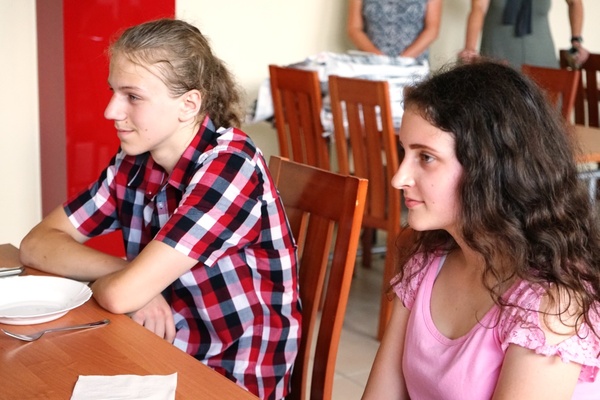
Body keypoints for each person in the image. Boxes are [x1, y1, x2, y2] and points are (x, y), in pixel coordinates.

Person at [19, 18, 301, 400]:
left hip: (231, 373)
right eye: (114, 91)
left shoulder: (231, 167)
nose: (111, 111)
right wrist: (127, 276)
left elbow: (120, 297)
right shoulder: (135, 161)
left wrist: (131, 286)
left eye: (132, 97)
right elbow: (36, 244)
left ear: (188, 104)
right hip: (161, 349)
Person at [362, 60, 600, 399]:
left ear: (489, 169)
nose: (399, 178)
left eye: (425, 157)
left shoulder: (550, 305)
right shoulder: (428, 261)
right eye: (405, 153)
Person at [458, 0, 589, 69]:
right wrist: (470, 49)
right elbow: (479, 8)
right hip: (498, 59)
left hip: (542, 59)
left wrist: (576, 40)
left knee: (547, 108)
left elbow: (575, 2)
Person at [347, 0, 443, 64]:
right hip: (371, 65)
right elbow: (354, 28)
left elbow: (432, 30)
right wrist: (379, 58)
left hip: (413, 65)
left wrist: (401, 60)